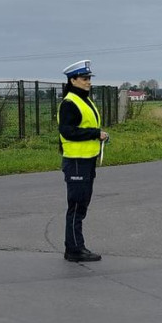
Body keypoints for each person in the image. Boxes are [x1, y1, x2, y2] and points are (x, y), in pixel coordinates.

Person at [58, 60, 108, 262]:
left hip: (87, 160)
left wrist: (98, 135)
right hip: (76, 161)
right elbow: (68, 131)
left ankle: (77, 246)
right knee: (76, 207)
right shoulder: (70, 103)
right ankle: (73, 249)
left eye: (89, 79)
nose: (88, 82)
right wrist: (95, 133)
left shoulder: (84, 100)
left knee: (82, 205)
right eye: (84, 78)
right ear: (73, 80)